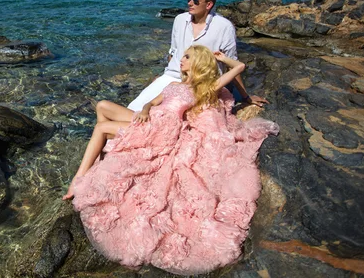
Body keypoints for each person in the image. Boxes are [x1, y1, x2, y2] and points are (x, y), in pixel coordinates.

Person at [63, 45, 279, 275]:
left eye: (187, 57)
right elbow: (153, 103)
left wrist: (223, 58)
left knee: (102, 127)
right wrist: (145, 109)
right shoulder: (173, 85)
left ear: (197, 63)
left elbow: (239, 67)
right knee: (102, 106)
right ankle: (104, 157)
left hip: (162, 130)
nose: (181, 60)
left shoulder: (203, 88)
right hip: (149, 119)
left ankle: (80, 177)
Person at [127, 0, 268, 112]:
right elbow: (173, 52)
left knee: (165, 115)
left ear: (209, 5)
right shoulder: (180, 20)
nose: (189, 3)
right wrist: (164, 76)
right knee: (135, 108)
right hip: (173, 77)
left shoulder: (224, 27)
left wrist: (245, 96)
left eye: (195, 1)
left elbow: (232, 63)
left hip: (202, 84)